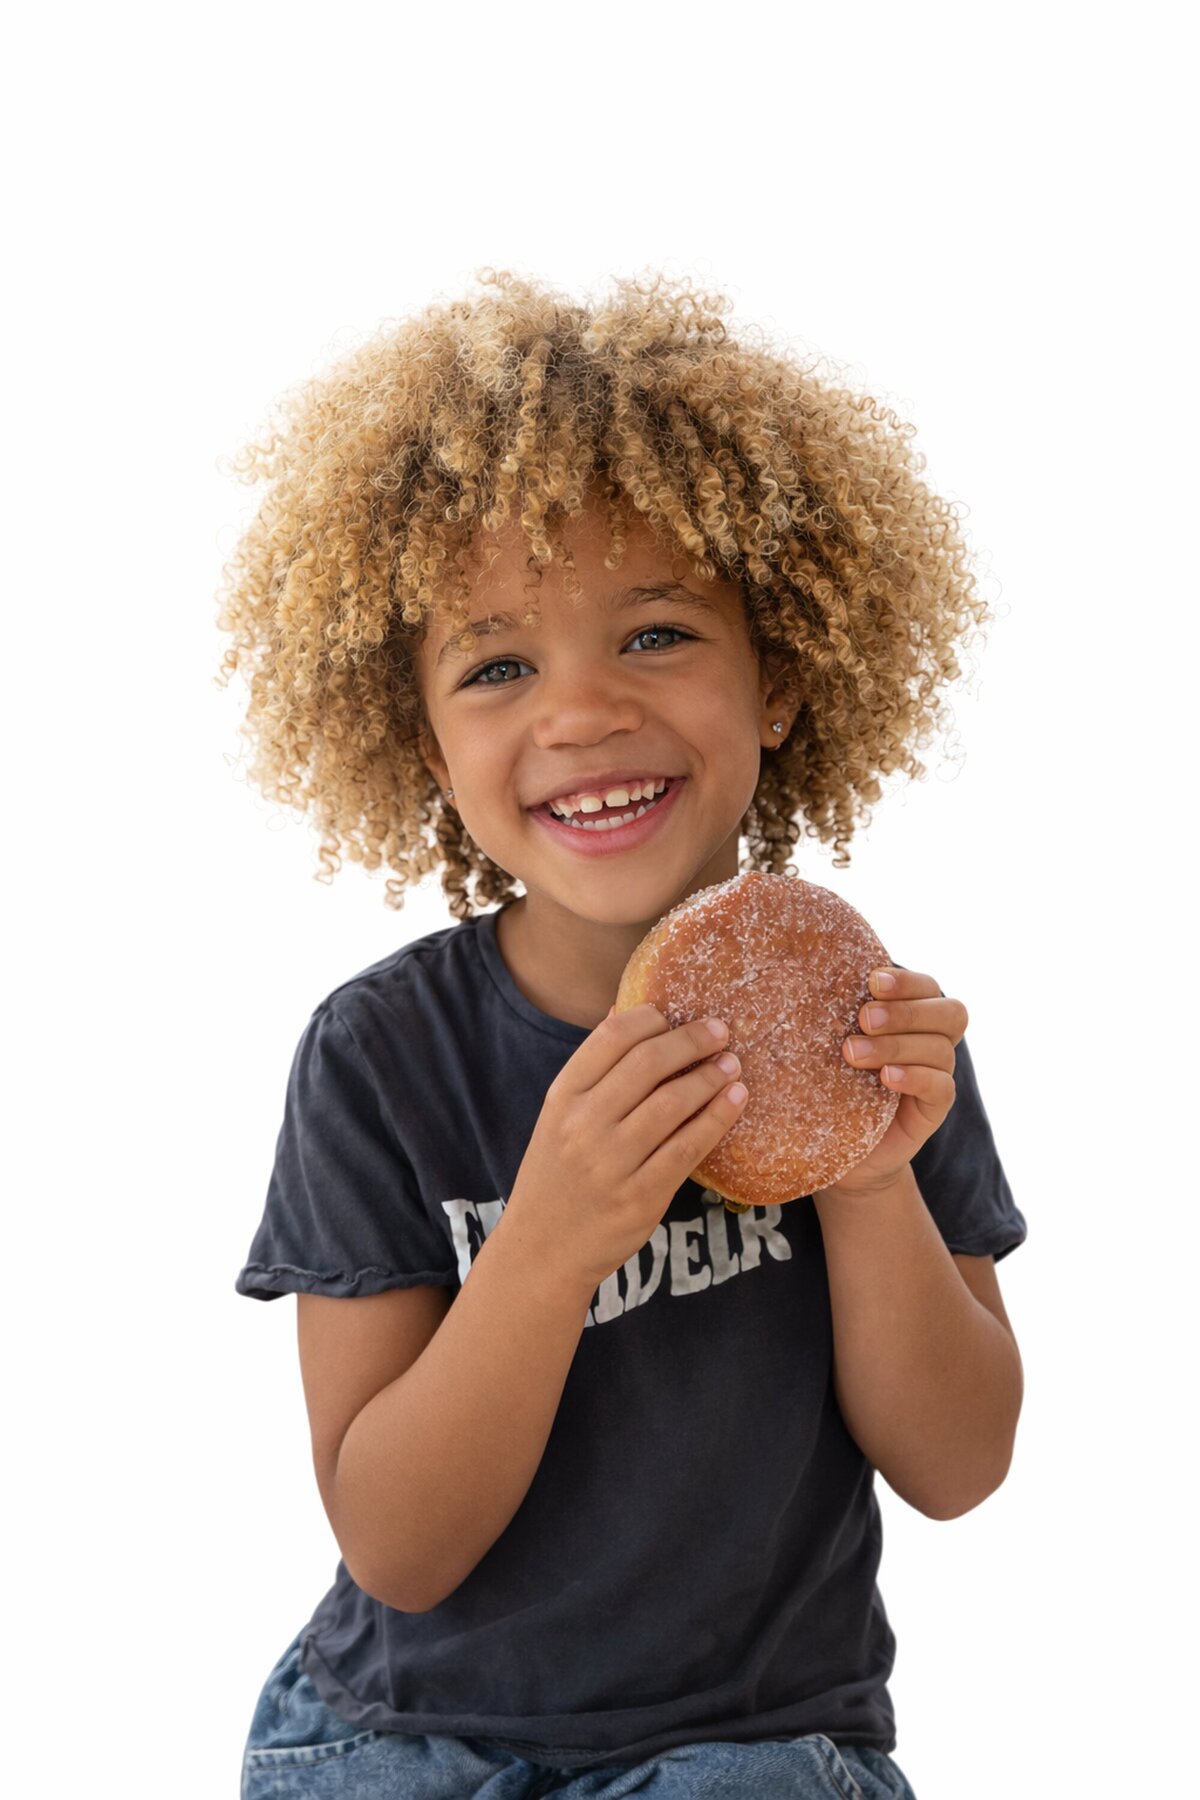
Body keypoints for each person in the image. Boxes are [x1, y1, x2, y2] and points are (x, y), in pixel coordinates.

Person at [222, 269, 1027, 1799]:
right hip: (402, 1737)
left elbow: (958, 1466)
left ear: (779, 679)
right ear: (427, 746)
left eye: (656, 634)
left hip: (745, 1743)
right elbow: (395, 1544)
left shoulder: (872, 1037)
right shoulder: (380, 1057)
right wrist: (547, 1245)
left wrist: (867, 1176)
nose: (581, 713)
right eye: (498, 667)